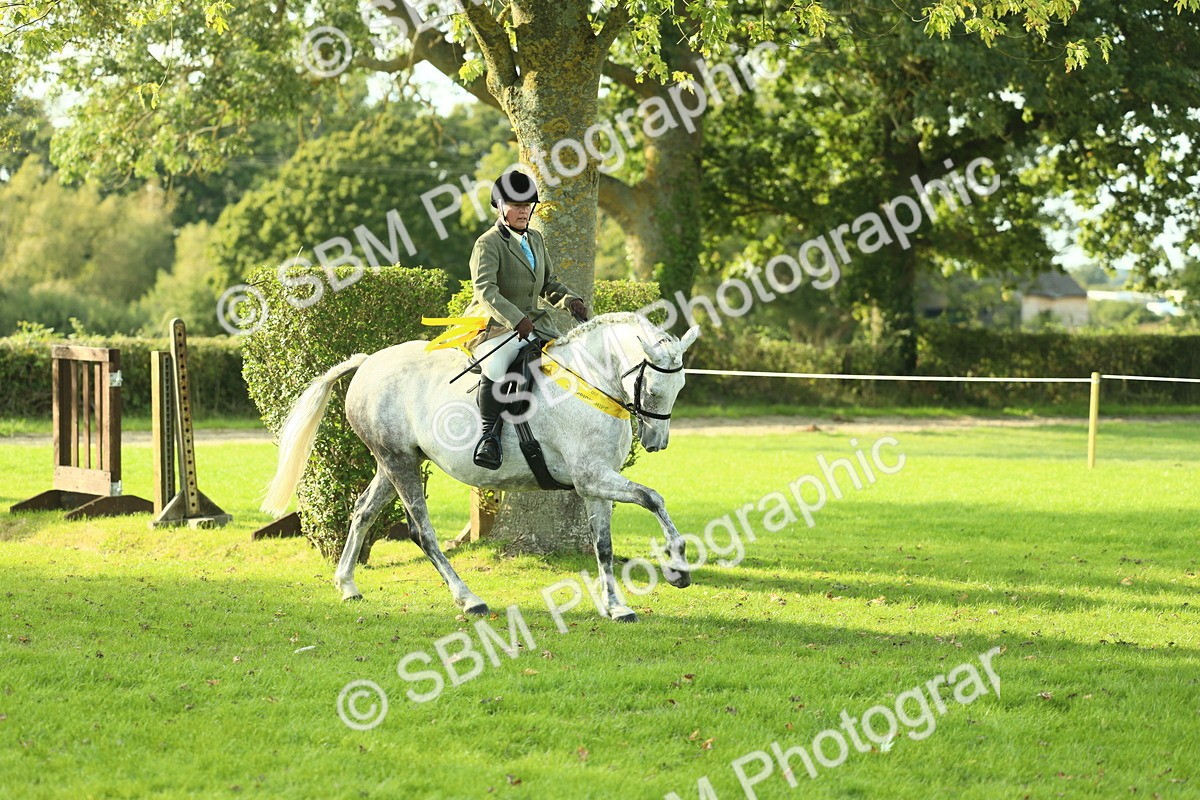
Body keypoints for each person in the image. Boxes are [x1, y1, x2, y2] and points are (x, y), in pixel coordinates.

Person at [466, 170, 588, 470]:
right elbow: (485, 290)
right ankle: (488, 438)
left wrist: (570, 300)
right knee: (496, 364)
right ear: (499, 205)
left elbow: (549, 283)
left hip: (533, 323)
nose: (523, 210)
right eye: (516, 205)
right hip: (493, 325)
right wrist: (515, 318)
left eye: (527, 205)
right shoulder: (488, 243)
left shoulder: (535, 239)